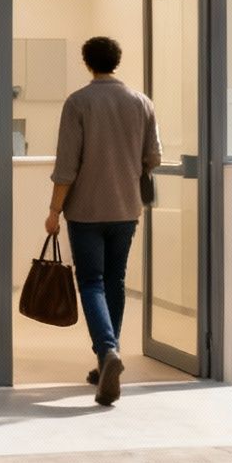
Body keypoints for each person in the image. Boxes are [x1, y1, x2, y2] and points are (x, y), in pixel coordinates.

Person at [46, 35, 160, 407]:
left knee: (91, 282)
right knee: (116, 281)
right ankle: (105, 360)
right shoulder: (141, 102)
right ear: (117, 60)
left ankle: (108, 352)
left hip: (86, 211)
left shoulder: (79, 102)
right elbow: (153, 157)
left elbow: (67, 166)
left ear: (87, 62)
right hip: (126, 210)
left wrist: (53, 211)